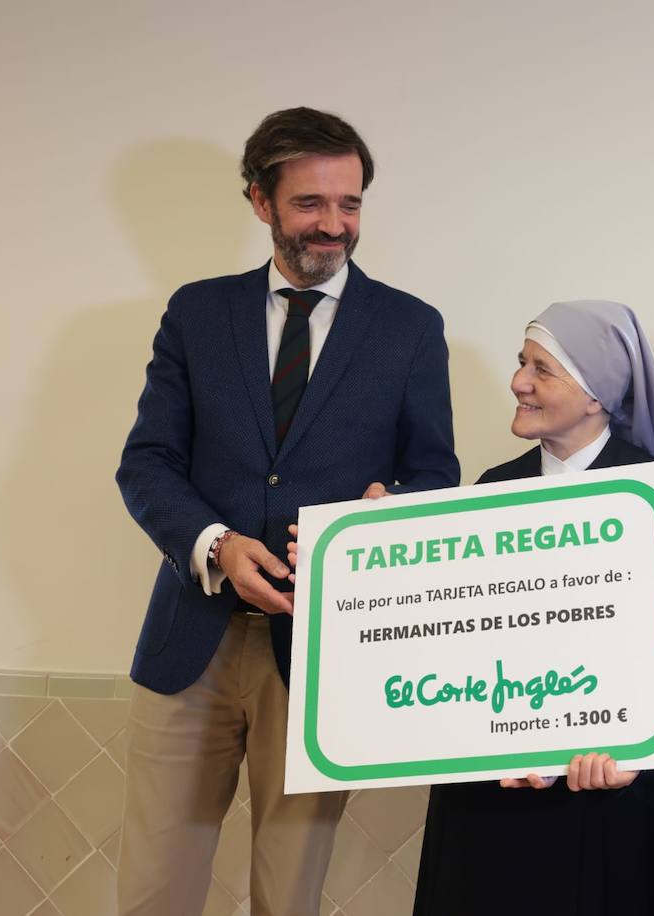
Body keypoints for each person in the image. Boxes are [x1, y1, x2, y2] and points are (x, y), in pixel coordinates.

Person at [114, 107, 458, 916]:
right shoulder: (197, 314)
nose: (334, 225)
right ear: (260, 202)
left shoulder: (410, 328)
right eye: (311, 204)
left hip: (319, 655)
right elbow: (148, 461)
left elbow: (432, 474)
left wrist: (392, 512)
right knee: (154, 889)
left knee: (289, 895)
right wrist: (216, 542)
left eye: (351, 203)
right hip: (187, 646)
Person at [410, 300, 654, 916]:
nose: (518, 381)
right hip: (492, 808)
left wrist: (634, 753)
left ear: (596, 395)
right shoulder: (492, 489)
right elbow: (460, 639)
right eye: (521, 362)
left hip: (614, 807)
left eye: (542, 369)